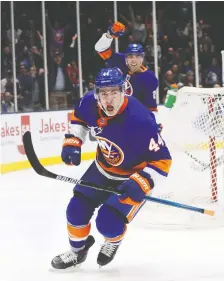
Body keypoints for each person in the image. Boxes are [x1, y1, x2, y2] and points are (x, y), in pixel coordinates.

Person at [51, 67, 172, 269]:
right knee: (76, 210)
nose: (109, 99)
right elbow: (79, 119)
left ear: (123, 91)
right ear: (97, 94)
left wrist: (142, 182)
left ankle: (112, 242)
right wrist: (73, 141)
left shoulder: (141, 120)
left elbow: (163, 161)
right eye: (104, 93)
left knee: (107, 222)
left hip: (130, 177)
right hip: (102, 168)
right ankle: (77, 252)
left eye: (114, 92)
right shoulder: (89, 101)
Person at [95, 22, 159, 122]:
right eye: (130, 56)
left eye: (137, 56)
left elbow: (151, 108)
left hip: (134, 119)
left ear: (142, 58)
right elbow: (100, 49)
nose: (133, 60)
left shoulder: (150, 79)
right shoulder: (120, 60)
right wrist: (109, 35)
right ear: (126, 57)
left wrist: (154, 124)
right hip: (113, 114)